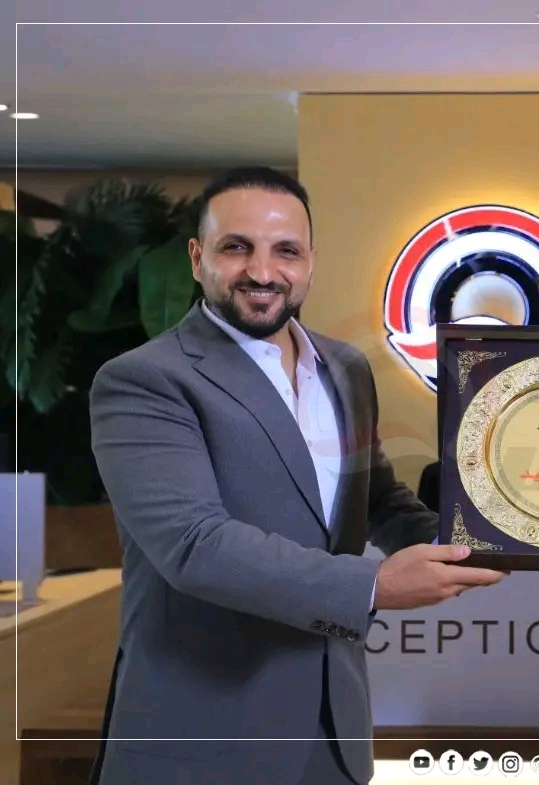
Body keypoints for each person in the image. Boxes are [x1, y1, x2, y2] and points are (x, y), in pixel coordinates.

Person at [87, 167, 506, 785]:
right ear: (198, 258)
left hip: (333, 733)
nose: (262, 271)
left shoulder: (345, 367)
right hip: (202, 741)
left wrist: (480, 538)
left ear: (310, 262)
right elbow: (195, 545)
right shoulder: (144, 379)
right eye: (237, 247)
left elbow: (375, 496)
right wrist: (374, 585)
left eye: (286, 250)